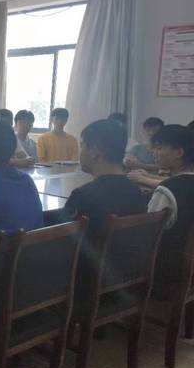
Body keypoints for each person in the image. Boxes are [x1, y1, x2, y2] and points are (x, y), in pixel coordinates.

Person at [59, 119, 146, 237]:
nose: (80, 152)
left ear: (94, 152)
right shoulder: (136, 191)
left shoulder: (83, 196)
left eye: (82, 145)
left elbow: (61, 240)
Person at [147, 125, 194, 289]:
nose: (154, 152)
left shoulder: (168, 189)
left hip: (166, 274)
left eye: (159, 148)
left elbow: (147, 235)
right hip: (189, 271)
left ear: (179, 152)